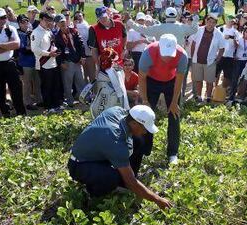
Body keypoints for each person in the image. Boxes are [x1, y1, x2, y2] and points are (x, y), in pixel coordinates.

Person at [68, 105, 173, 210]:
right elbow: (131, 181)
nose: (145, 131)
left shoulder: (118, 111)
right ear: (134, 123)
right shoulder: (115, 141)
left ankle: (123, 180)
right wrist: (157, 199)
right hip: (80, 164)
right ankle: (91, 194)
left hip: (97, 152)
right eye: (144, 128)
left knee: (140, 140)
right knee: (112, 177)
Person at [138, 34, 188, 164]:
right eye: (164, 54)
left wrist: (173, 102)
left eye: (169, 54)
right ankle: (144, 150)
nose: (166, 58)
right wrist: (145, 101)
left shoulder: (182, 56)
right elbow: (142, 78)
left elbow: (179, 80)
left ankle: (173, 153)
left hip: (171, 83)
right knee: (146, 115)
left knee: (174, 115)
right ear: (159, 47)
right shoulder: (148, 53)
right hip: (151, 81)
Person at [0, 8, 26, 117]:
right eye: (0, 18)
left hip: (9, 62)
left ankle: (21, 112)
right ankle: (5, 113)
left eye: (4, 17)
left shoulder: (10, 28)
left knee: (16, 87)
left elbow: (16, 44)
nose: (3, 20)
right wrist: (7, 46)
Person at [31, 11, 63, 113]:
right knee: (47, 86)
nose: (49, 22)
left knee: (55, 85)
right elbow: (35, 49)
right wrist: (48, 54)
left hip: (53, 62)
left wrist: (55, 50)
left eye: (50, 20)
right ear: (40, 20)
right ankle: (48, 107)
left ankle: (56, 105)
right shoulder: (36, 32)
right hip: (43, 64)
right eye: (47, 20)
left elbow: (52, 44)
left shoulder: (48, 31)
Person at [54, 14, 86, 108]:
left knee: (80, 81)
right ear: (58, 25)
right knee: (67, 83)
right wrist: (61, 62)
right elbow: (57, 51)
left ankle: (83, 100)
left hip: (77, 60)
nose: (64, 25)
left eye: (64, 22)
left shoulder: (73, 31)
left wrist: (83, 56)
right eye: (61, 24)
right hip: (67, 62)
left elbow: (81, 44)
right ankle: (70, 101)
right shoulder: (57, 36)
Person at [191, 14, 224, 103]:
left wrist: (218, 58)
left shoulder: (219, 34)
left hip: (210, 62)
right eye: (209, 22)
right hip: (197, 60)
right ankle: (199, 96)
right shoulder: (199, 30)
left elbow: (222, 48)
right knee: (198, 80)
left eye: (213, 23)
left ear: (216, 24)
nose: (211, 24)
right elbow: (193, 43)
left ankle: (208, 97)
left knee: (209, 81)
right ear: (206, 21)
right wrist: (193, 55)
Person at [127, 7, 199, 46]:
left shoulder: (158, 27)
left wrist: (129, 21)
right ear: (176, 16)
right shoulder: (183, 27)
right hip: (178, 57)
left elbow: (142, 29)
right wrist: (195, 19)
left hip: (161, 57)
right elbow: (195, 29)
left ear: (165, 16)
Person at [17, 14, 42, 111]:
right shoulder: (17, 33)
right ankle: (27, 103)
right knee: (26, 84)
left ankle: (39, 100)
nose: (25, 23)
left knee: (37, 82)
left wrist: (32, 48)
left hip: (35, 61)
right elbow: (23, 49)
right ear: (19, 23)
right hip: (25, 63)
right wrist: (33, 48)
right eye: (22, 22)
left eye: (26, 21)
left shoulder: (32, 32)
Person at [73, 11, 95, 82]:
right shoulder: (73, 27)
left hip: (89, 54)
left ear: (83, 16)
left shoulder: (88, 27)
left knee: (92, 74)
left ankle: (94, 91)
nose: (78, 18)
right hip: (79, 55)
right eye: (76, 16)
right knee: (83, 76)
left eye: (80, 16)